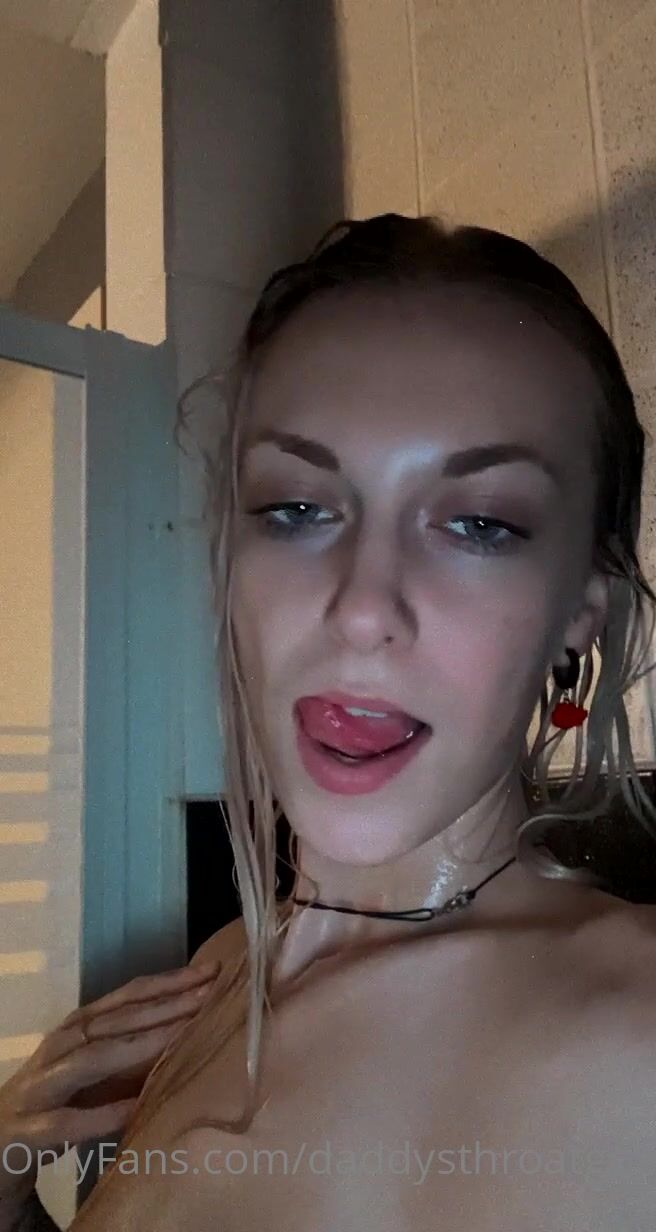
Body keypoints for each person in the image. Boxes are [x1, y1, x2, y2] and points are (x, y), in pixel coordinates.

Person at [5, 212, 656, 1230]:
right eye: (297, 508)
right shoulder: (216, 970)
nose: (359, 609)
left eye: (480, 523)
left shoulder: (633, 1036)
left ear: (581, 607)